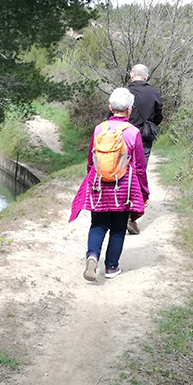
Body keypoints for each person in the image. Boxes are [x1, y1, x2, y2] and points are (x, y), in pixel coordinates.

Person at [69, 88, 149, 282]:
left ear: (110, 107)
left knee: (98, 225)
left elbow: (90, 160)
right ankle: (111, 267)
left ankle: (92, 257)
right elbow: (139, 167)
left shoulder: (99, 129)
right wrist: (144, 193)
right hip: (123, 189)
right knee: (118, 229)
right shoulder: (133, 132)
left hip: (99, 186)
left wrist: (94, 179)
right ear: (130, 110)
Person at [126, 64, 163, 235]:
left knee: (122, 173)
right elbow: (158, 117)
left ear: (132, 76)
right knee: (139, 175)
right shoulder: (154, 93)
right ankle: (131, 218)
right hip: (144, 139)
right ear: (146, 77)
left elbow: (112, 114)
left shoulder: (124, 92)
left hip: (124, 137)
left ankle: (117, 211)